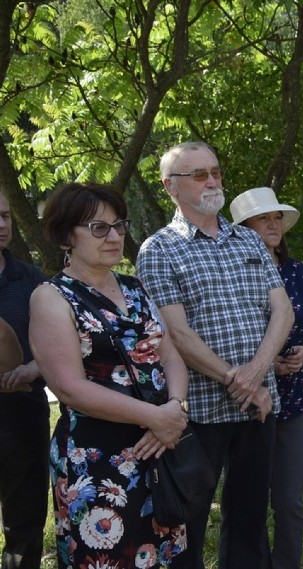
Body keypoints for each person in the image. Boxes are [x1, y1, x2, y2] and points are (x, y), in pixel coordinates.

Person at [136, 142, 294, 569]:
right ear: (171, 186)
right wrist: (236, 379)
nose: (212, 181)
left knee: (248, 522)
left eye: (216, 172)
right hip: (200, 415)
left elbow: (283, 310)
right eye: (200, 174)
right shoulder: (159, 249)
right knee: (187, 525)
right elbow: (176, 334)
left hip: (259, 406)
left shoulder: (248, 239)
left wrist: (256, 375)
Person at [28, 182, 190, 568]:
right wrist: (156, 418)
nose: (114, 236)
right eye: (99, 228)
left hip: (160, 445)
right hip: (97, 459)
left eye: (118, 225)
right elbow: (70, 387)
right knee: (107, 558)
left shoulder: (135, 287)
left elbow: (171, 355)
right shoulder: (52, 297)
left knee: (163, 557)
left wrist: (175, 409)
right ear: (67, 235)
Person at [229, 187, 303, 569]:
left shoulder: (296, 271)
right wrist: (268, 364)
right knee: (248, 499)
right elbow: (227, 340)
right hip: (249, 400)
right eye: (262, 219)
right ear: (242, 229)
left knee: (290, 501)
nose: (273, 225)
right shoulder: (233, 276)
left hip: (300, 400)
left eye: (277, 219)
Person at [0, 191, 49, 569]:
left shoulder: (31, 279)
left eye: (5, 216)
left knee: (25, 523)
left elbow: (57, 344)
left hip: (22, 417)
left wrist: (33, 368)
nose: (1, 225)